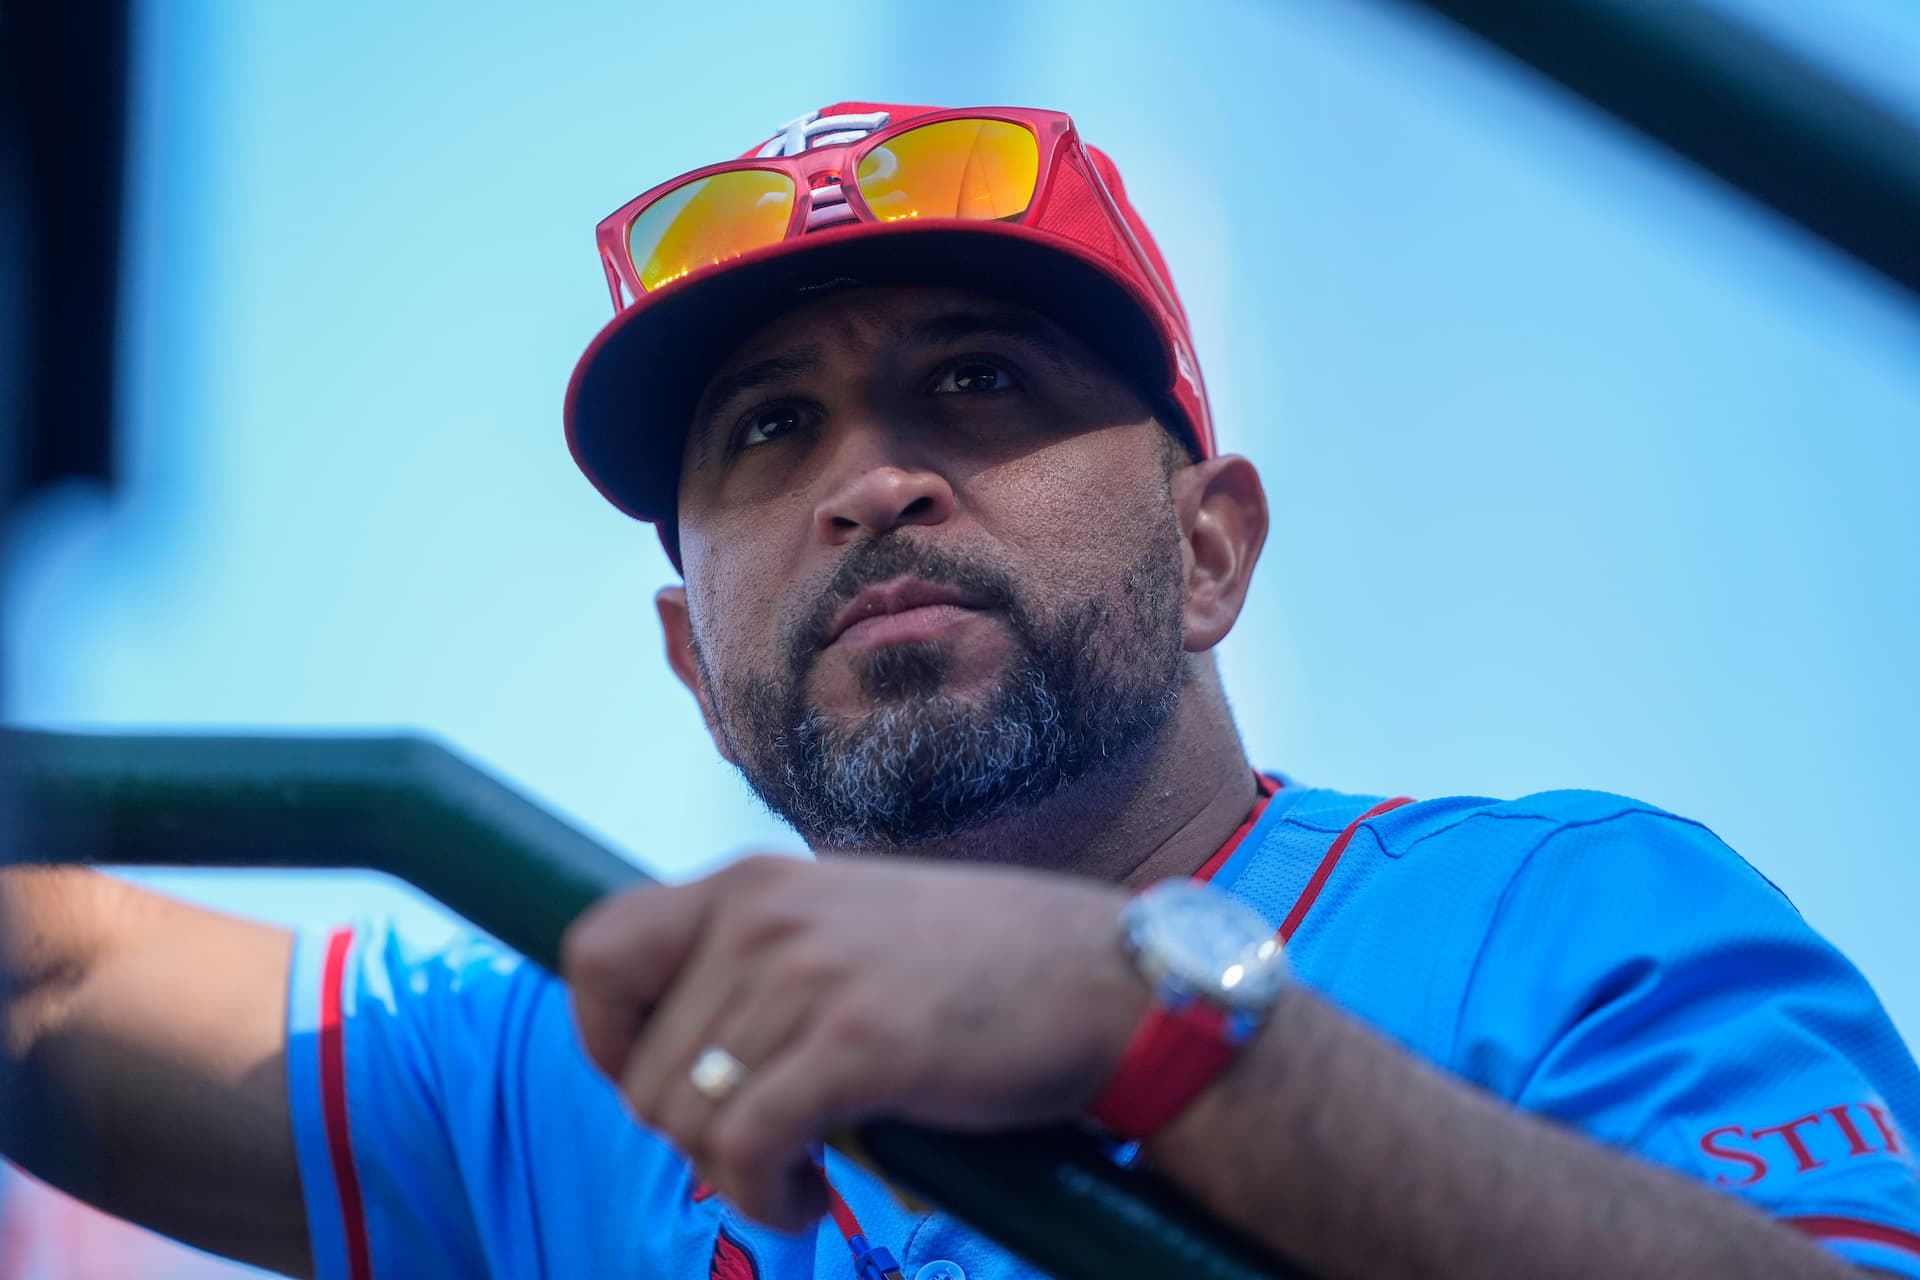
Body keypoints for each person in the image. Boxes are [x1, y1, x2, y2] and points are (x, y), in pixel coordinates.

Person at [3, 101, 1917, 1280]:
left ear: (1210, 548)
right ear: (691, 660)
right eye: (768, 427)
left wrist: (1140, 1026)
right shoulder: (579, 1068)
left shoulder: (1571, 916)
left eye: (981, 381)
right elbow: (50, 973)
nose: (872, 477)